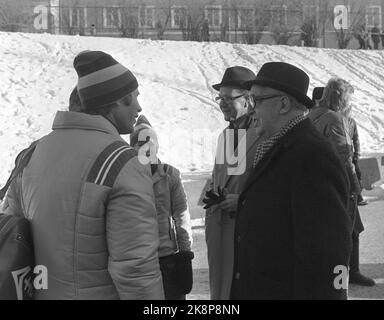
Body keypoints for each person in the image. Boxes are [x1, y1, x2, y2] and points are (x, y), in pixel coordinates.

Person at [2, 51, 164, 299]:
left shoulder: (32, 153)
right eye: (134, 98)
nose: (139, 107)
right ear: (116, 100)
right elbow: (135, 267)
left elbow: (15, 238)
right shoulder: (122, 162)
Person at [231, 62, 352, 300]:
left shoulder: (313, 155)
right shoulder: (276, 145)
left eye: (257, 101)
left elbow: (328, 254)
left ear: (284, 104)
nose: (251, 110)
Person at [308, 77, 375, 287]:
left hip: (317, 184)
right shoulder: (335, 119)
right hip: (337, 185)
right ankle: (342, 277)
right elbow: (344, 157)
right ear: (342, 97)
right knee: (343, 233)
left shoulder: (312, 115)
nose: (351, 102)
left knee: (347, 229)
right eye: (349, 97)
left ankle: (342, 273)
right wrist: (355, 187)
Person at [205, 66, 263, 300]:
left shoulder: (264, 134)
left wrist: (242, 201)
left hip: (247, 232)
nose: (222, 103)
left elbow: (272, 186)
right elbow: (222, 178)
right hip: (221, 231)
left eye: (229, 98)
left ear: (249, 100)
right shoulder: (227, 134)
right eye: (220, 98)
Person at [130, 115, 194, 300]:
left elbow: (181, 214)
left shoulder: (170, 175)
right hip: (139, 259)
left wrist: (185, 253)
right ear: (132, 146)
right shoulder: (125, 176)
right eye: (140, 143)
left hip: (167, 258)